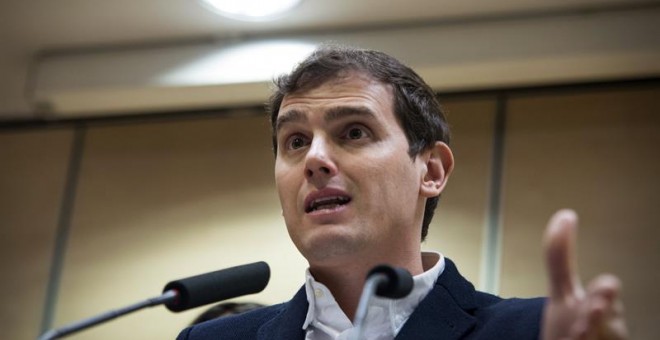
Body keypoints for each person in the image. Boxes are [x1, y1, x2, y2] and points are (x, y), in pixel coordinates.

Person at [176, 46, 628, 339]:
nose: (314, 158)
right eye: (294, 141)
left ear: (430, 170)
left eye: (353, 132)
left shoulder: (536, 331)